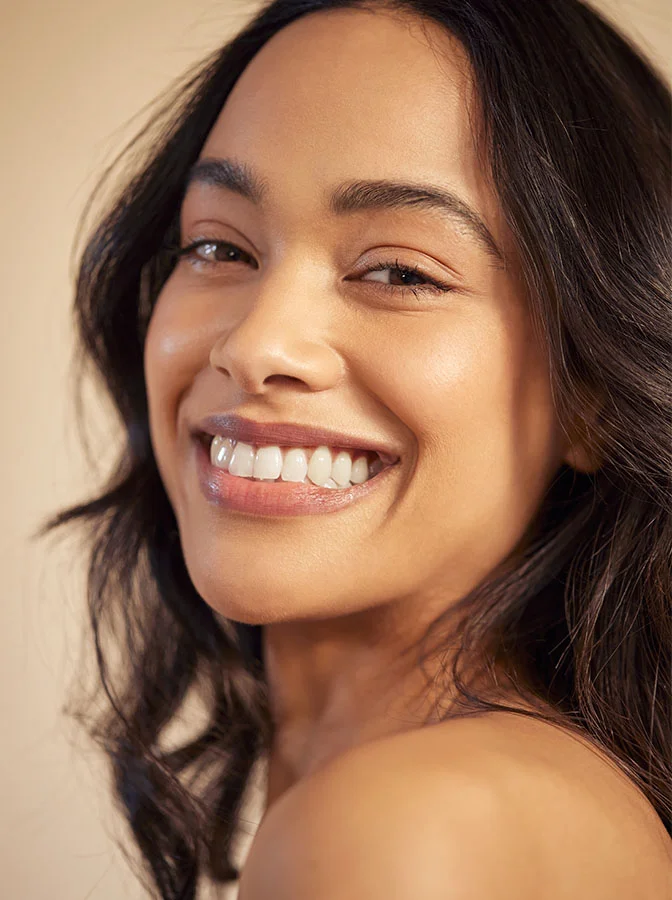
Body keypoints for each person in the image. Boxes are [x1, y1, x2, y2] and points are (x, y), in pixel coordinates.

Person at [41, 0, 671, 897]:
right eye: (218, 245)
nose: (256, 344)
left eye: (401, 271)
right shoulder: (529, 802)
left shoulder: (398, 835)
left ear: (592, 396)